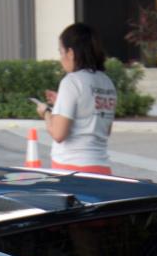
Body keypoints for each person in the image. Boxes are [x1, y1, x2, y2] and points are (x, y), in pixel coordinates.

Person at [34, 23, 117, 173]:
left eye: (61, 52)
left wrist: (46, 112)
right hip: (102, 168)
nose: (61, 58)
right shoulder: (107, 82)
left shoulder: (71, 81)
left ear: (71, 53)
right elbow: (104, 129)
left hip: (71, 167)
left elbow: (58, 134)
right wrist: (61, 102)